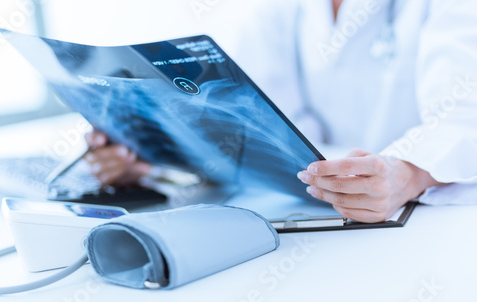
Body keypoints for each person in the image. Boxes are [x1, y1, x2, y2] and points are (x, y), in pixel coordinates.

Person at [84, 0, 477, 222]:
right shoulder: (280, 10)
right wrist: (152, 161)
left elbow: (464, 116)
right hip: (308, 209)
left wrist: (405, 174)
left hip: (421, 220)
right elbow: (244, 124)